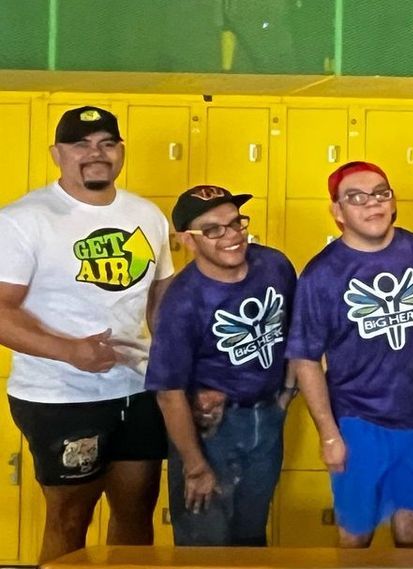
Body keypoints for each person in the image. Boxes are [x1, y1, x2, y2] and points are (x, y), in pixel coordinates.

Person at [0, 106, 173, 561]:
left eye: (106, 143)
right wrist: (68, 350)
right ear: (58, 153)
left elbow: (162, 299)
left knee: (137, 513)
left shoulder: (146, 214)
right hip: (60, 396)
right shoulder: (26, 219)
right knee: (70, 518)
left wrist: (175, 368)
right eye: (81, 144)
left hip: (135, 391)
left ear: (120, 152)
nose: (95, 154)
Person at [288, 161, 413, 548]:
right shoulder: (321, 275)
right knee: (356, 535)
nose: (372, 204)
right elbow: (305, 360)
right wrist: (328, 433)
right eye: (357, 197)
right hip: (357, 421)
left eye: (381, 193)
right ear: (337, 211)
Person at [143, 185, 294, 546]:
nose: (231, 236)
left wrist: (286, 396)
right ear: (189, 241)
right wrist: (194, 467)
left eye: (235, 223)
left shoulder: (274, 265)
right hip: (210, 433)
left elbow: (297, 332)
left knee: (251, 538)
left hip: (266, 419)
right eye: (213, 230)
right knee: (205, 545)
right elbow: (169, 393)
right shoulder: (182, 302)